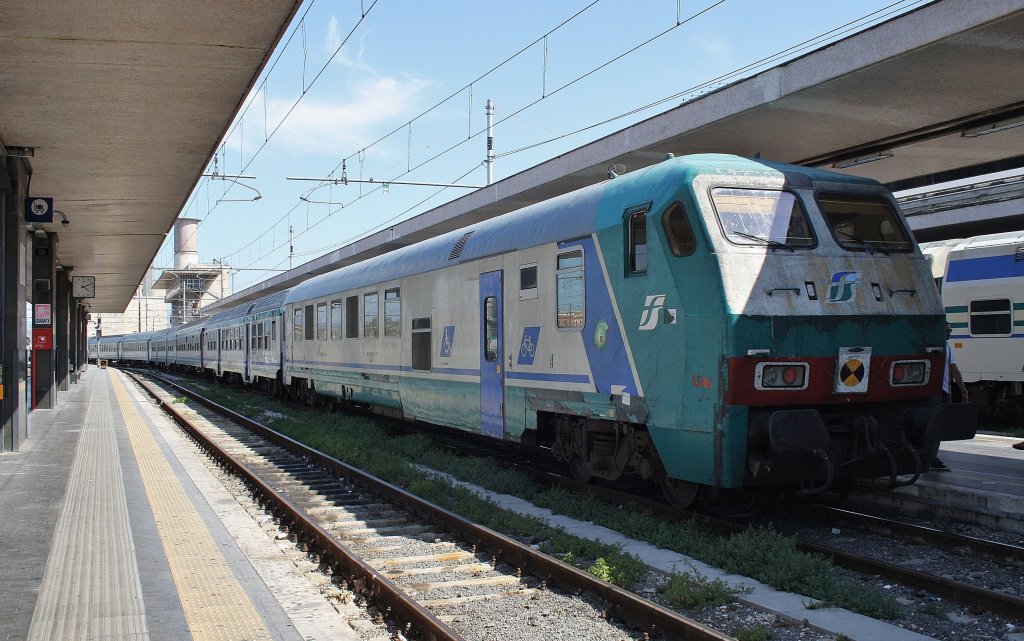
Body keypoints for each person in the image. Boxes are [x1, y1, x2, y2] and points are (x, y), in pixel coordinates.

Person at [932, 323, 968, 471]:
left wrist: (963, 391)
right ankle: (932, 458)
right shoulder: (941, 348)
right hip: (938, 391)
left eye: (950, 330)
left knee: (937, 427)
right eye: (947, 331)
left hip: (943, 391)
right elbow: (955, 371)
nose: (949, 333)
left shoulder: (947, 347)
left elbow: (954, 370)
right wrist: (963, 391)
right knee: (937, 427)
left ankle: (932, 457)